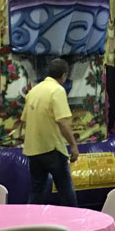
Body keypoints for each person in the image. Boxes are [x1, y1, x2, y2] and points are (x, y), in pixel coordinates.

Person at [20, 58, 79, 206]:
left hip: (33, 150)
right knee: (66, 191)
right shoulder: (57, 90)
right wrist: (73, 145)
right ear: (64, 75)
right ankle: (75, 219)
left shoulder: (34, 91)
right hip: (52, 148)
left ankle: (30, 219)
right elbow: (62, 122)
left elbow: (25, 119)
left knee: (37, 191)